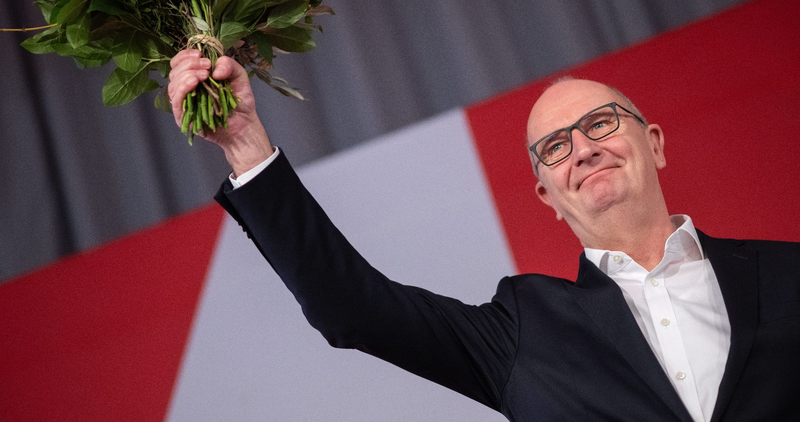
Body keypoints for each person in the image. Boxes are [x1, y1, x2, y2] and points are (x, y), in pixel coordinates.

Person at [168, 50, 800, 422]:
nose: (582, 148)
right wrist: (246, 146)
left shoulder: (786, 276)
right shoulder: (524, 331)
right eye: (555, 148)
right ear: (546, 198)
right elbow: (352, 308)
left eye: (600, 123)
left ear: (653, 144)